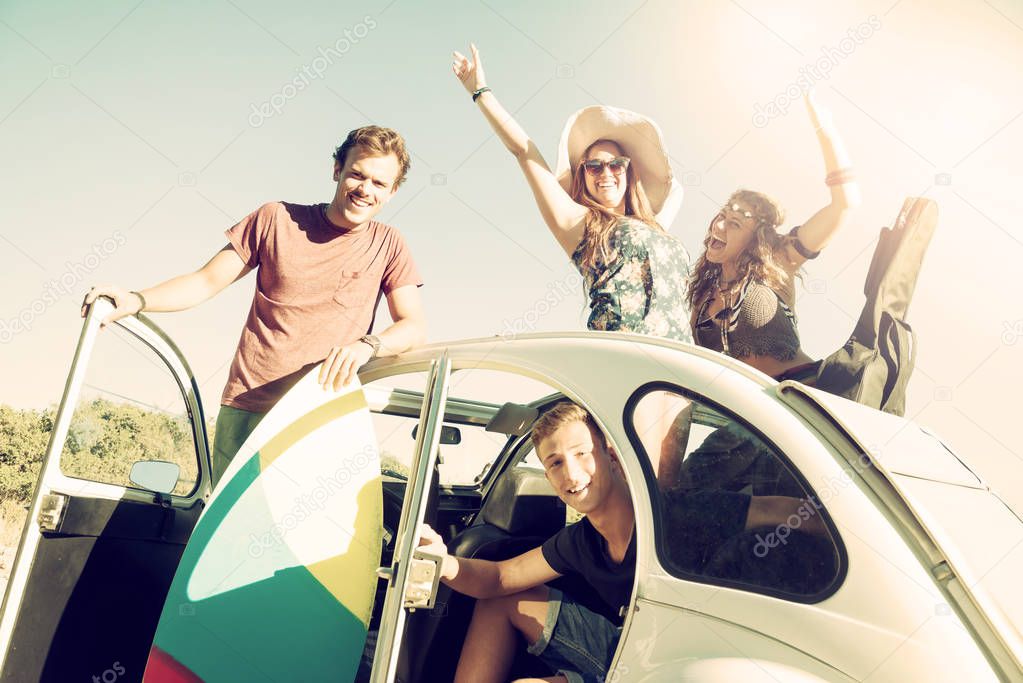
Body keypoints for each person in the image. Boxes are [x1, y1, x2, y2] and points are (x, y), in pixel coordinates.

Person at [82, 126, 427, 485]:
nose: (364, 190)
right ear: (337, 169)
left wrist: (366, 346)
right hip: (247, 408)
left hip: (320, 417)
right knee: (228, 535)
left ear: (392, 192)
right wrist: (137, 300)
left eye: (378, 183)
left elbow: (413, 326)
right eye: (357, 174)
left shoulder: (389, 244)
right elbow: (206, 281)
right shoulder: (274, 218)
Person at [417, 401, 824, 683]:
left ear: (611, 456)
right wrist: (443, 561)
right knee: (500, 603)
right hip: (622, 648)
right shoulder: (581, 540)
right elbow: (502, 578)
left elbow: (779, 509)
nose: (571, 473)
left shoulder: (676, 514)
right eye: (554, 463)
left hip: (680, 661)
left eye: (581, 453)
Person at [452, 44, 692, 342]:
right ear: (583, 175)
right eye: (594, 166)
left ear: (630, 172)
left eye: (617, 164)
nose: (606, 173)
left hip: (680, 362)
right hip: (624, 360)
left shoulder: (656, 226)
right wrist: (481, 93)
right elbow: (524, 152)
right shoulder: (579, 223)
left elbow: (677, 189)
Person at [688, 92, 861, 381]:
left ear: (757, 238)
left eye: (734, 224)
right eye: (721, 215)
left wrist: (825, 130)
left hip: (805, 390)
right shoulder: (702, 295)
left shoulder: (780, 259)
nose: (718, 227)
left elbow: (845, 203)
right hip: (750, 412)